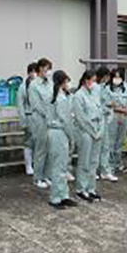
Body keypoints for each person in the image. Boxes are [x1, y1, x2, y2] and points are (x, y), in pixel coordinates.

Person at [46, 71, 79, 210]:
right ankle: (55, 198)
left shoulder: (59, 96)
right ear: (62, 82)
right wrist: (73, 137)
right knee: (59, 166)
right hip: (59, 132)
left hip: (57, 132)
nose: (68, 84)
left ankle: (63, 195)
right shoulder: (60, 99)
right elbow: (66, 121)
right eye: (67, 81)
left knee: (63, 166)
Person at [72, 70, 104, 202]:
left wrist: (100, 130)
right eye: (92, 80)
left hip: (97, 130)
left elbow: (101, 112)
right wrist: (92, 131)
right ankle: (81, 189)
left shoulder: (95, 93)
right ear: (86, 80)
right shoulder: (78, 96)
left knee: (94, 162)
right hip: (85, 131)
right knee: (84, 161)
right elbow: (81, 118)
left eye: (95, 81)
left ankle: (91, 188)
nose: (94, 83)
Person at [28, 58, 54, 191]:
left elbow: (54, 99)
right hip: (40, 120)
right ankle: (38, 177)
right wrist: (49, 113)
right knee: (40, 150)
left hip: (51, 120)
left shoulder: (50, 83)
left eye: (49, 69)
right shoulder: (34, 85)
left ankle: (47, 175)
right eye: (46, 69)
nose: (48, 72)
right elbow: (37, 105)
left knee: (50, 149)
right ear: (39, 69)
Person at [106, 69, 127, 175]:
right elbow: (108, 104)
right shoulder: (107, 89)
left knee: (120, 142)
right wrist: (119, 108)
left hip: (124, 117)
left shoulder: (125, 88)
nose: (117, 79)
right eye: (115, 77)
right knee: (111, 142)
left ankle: (119, 164)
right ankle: (110, 166)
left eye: (119, 77)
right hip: (113, 117)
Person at [95, 66, 118, 183]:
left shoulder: (105, 88)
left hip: (105, 118)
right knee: (96, 146)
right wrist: (109, 105)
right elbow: (97, 104)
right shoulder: (95, 88)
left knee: (105, 146)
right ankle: (94, 170)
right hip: (97, 120)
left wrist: (111, 104)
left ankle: (105, 170)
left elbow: (111, 100)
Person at [17, 62, 40, 176]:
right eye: (33, 71)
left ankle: (37, 164)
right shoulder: (23, 87)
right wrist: (23, 120)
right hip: (29, 115)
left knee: (39, 142)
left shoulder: (40, 85)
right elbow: (20, 104)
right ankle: (28, 165)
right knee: (29, 142)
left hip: (39, 118)